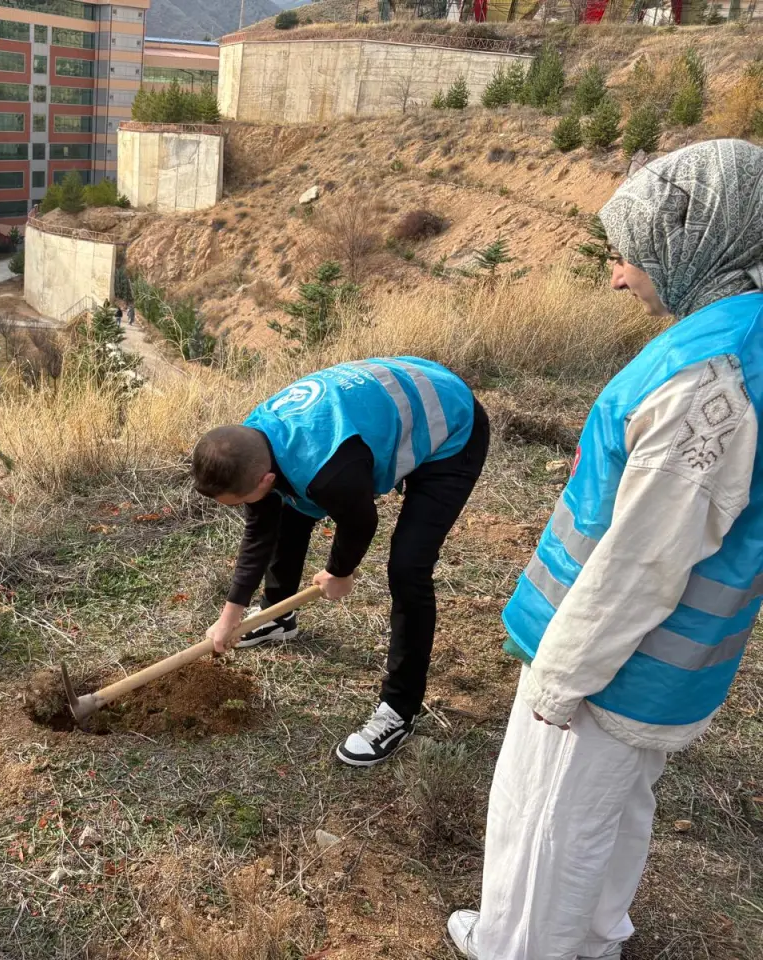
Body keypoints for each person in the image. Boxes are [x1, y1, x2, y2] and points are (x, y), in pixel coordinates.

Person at [447, 139, 763, 960]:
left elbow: (642, 561)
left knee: (546, 824)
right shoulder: (742, 330)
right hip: (664, 666)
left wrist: (559, 680)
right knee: (608, 811)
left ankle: (518, 949)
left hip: (614, 661)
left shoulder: (709, 380)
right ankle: (594, 937)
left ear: (695, 247)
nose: (617, 277)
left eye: (631, 257)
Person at [192, 358, 489, 765]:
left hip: (451, 425)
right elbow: (260, 530)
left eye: (242, 499)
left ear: (261, 478)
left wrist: (339, 572)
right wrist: (232, 613)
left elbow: (361, 520)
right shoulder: (251, 442)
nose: (245, 507)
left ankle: (399, 711)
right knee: (288, 504)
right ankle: (278, 618)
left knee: (408, 567)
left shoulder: (328, 470)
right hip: (383, 407)